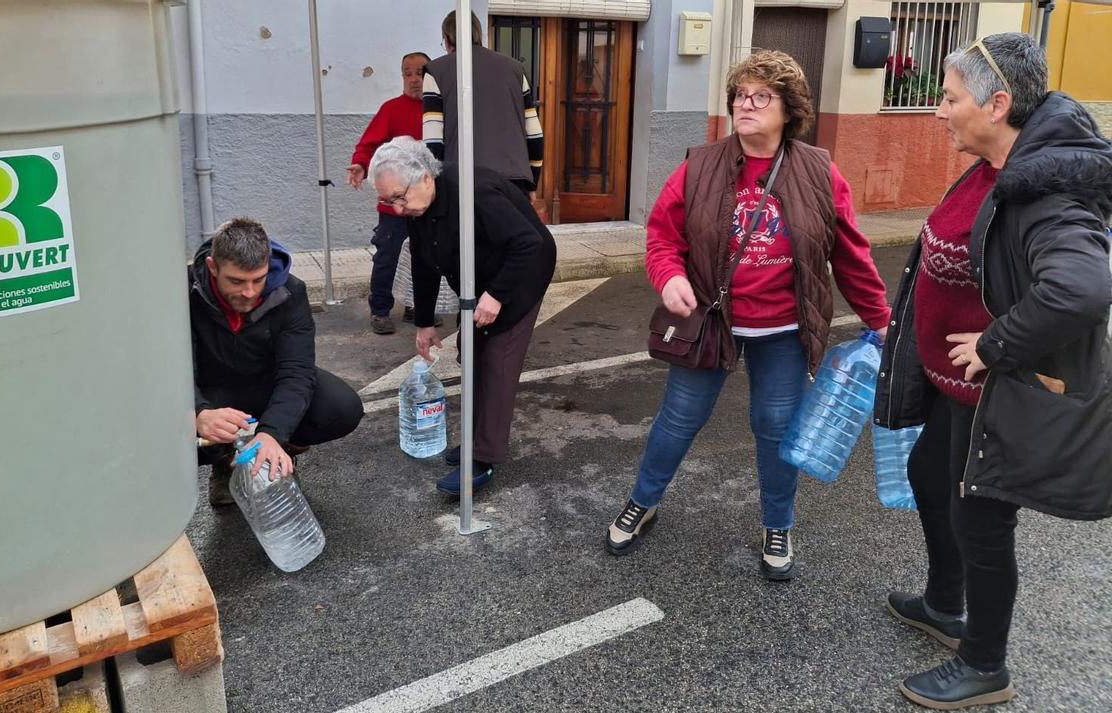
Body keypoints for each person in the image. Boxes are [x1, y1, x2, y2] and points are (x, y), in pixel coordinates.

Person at [875, 33, 1112, 709]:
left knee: (981, 523)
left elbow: (1080, 289)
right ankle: (945, 604)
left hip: (1000, 392)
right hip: (960, 391)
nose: (939, 111)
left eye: (950, 98)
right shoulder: (998, 163)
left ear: (997, 102)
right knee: (928, 476)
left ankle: (985, 663)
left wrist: (995, 343)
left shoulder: (1047, 190)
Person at [603, 51, 892, 581]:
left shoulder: (819, 172)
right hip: (713, 320)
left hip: (783, 327)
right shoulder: (700, 164)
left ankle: (778, 522)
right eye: (740, 95)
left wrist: (879, 320)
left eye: (762, 96)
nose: (746, 105)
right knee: (678, 418)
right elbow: (663, 236)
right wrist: (668, 278)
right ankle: (643, 501)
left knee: (776, 427)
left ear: (789, 109)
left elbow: (849, 253)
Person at [367, 137, 556, 496]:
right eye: (388, 201)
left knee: (496, 360)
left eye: (399, 197)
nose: (397, 208)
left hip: (522, 274)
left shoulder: (476, 190)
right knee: (469, 352)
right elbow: (424, 264)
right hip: (480, 282)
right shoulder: (418, 207)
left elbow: (528, 243)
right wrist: (423, 322)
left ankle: (483, 460)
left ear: (425, 177)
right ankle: (473, 439)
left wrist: (497, 296)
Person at [191, 218, 364, 506]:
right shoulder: (182, 293)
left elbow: (297, 372)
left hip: (264, 382)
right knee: (153, 432)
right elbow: (166, 371)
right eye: (236, 281)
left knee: (341, 408)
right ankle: (223, 464)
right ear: (212, 267)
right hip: (211, 390)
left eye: (257, 280)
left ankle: (275, 452)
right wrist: (197, 412)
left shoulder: (290, 291)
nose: (249, 292)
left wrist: (272, 434)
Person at [346, 51, 432, 335]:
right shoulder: (391, 109)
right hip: (393, 205)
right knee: (387, 256)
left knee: (424, 256)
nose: (414, 79)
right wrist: (360, 164)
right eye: (407, 73)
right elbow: (368, 145)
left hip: (426, 204)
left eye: (419, 72)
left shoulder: (438, 111)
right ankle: (380, 309)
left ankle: (416, 306)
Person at [422, 10, 544, 194]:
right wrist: (532, 182)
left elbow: (433, 142)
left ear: (447, 38)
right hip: (514, 180)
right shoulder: (515, 69)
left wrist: (435, 187)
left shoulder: (435, 71)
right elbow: (535, 135)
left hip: (462, 183)